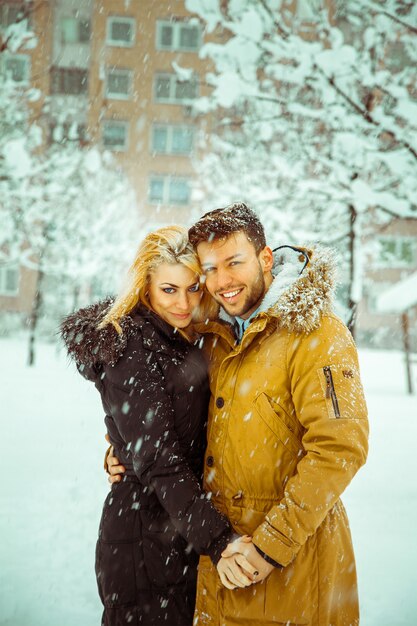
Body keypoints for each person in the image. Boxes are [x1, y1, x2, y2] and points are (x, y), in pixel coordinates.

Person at [108, 204, 369, 626]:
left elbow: (340, 449)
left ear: (266, 258)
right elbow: (166, 412)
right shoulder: (212, 337)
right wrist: (121, 447)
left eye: (234, 262)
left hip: (292, 571)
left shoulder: (319, 335)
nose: (222, 281)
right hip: (219, 568)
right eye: (209, 268)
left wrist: (268, 546)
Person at [60, 226, 257, 626]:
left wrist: (121, 448)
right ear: (144, 287)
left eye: (194, 288)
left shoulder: (179, 339)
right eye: (169, 290)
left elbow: (154, 434)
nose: (184, 303)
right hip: (142, 535)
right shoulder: (131, 343)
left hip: (175, 527)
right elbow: (159, 458)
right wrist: (219, 541)